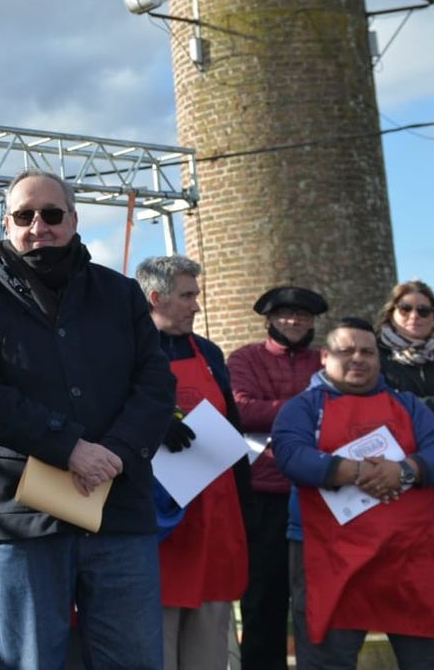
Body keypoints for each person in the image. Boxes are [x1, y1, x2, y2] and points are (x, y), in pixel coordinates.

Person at [0, 169, 175, 670]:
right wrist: (69, 447)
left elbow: (156, 386)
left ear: (74, 219)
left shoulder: (121, 295)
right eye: (24, 216)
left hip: (118, 511)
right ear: (7, 223)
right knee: (29, 663)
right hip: (24, 521)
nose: (38, 226)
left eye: (51, 214)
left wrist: (111, 453)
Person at [271, 319, 434, 668]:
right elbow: (291, 453)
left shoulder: (409, 405)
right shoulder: (303, 408)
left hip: (411, 555)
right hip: (328, 554)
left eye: (367, 351)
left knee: (430, 659)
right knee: (328, 660)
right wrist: (357, 472)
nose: (358, 358)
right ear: (324, 356)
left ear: (379, 359)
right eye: (346, 350)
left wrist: (403, 471)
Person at [134, 256, 247, 670]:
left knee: (210, 645)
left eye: (196, 295)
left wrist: (246, 511)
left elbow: (232, 426)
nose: (196, 306)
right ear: (155, 297)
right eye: (187, 296)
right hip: (159, 526)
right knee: (156, 644)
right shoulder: (125, 352)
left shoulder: (211, 354)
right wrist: (152, 423)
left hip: (216, 516)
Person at [227, 285, 327, 670]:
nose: (294, 321)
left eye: (302, 316)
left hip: (319, 493)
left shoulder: (326, 358)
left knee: (320, 600)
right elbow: (242, 410)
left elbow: (342, 407)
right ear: (269, 320)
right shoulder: (245, 358)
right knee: (263, 602)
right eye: (286, 315)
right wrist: (308, 409)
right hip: (264, 494)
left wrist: (280, 412)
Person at [375, 280, 434, 526]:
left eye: (423, 310)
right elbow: (382, 404)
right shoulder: (374, 355)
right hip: (401, 463)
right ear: (392, 312)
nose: (414, 316)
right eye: (405, 308)